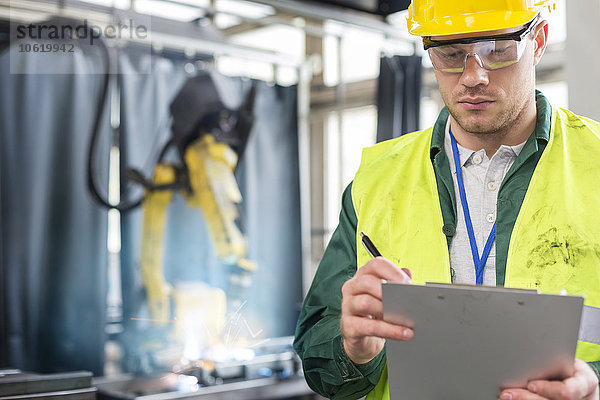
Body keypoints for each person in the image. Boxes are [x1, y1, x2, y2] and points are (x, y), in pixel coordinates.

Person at [293, 1, 600, 399]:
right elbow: (321, 355)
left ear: (538, 40)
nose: (473, 76)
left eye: (497, 48)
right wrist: (354, 349)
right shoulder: (375, 180)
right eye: (450, 54)